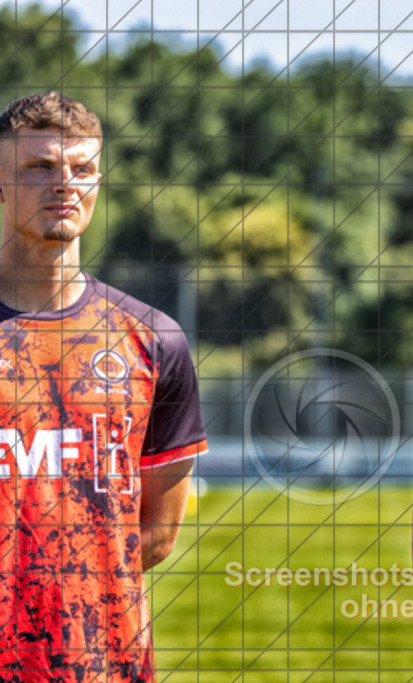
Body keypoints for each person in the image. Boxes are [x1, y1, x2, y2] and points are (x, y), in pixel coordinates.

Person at [0, 92, 207, 680]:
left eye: (82, 169)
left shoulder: (153, 338)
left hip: (101, 660)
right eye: (39, 167)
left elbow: (156, 534)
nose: (64, 183)